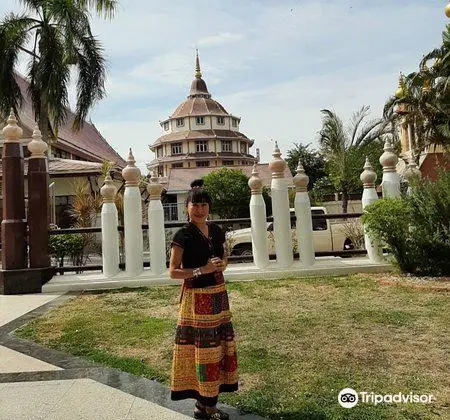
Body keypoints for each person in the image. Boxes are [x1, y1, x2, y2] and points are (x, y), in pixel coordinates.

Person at [169, 179, 238, 420]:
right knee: (201, 351)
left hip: (218, 296)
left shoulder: (217, 231)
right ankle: (206, 406)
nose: (200, 209)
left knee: (218, 349)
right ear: (187, 207)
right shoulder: (183, 235)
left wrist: (221, 264)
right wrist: (203, 270)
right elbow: (173, 271)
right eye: (195, 205)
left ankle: (207, 404)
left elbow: (223, 260)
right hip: (196, 299)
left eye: (204, 205)